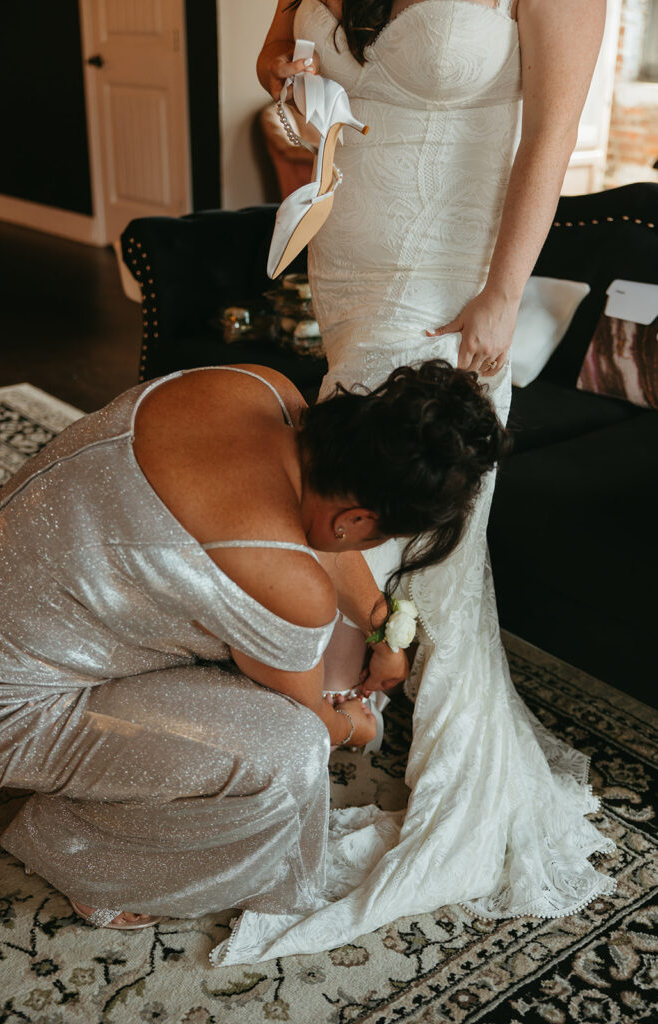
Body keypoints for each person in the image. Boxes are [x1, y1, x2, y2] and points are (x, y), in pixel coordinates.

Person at [234, 0, 616, 965]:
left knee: (391, 522)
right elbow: (273, 67)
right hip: (348, 251)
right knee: (338, 500)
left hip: (451, 276)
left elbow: (554, 132)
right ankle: (331, 723)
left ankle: (388, 738)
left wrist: (503, 289)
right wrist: (290, 94)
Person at [0, 361, 506, 932]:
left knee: (278, 651)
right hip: (0, 712)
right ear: (356, 518)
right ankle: (97, 862)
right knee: (290, 753)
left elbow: (307, 525)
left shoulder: (258, 387)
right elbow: (316, 720)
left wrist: (383, 625)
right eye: (382, 535)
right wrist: (358, 728)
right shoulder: (289, 584)